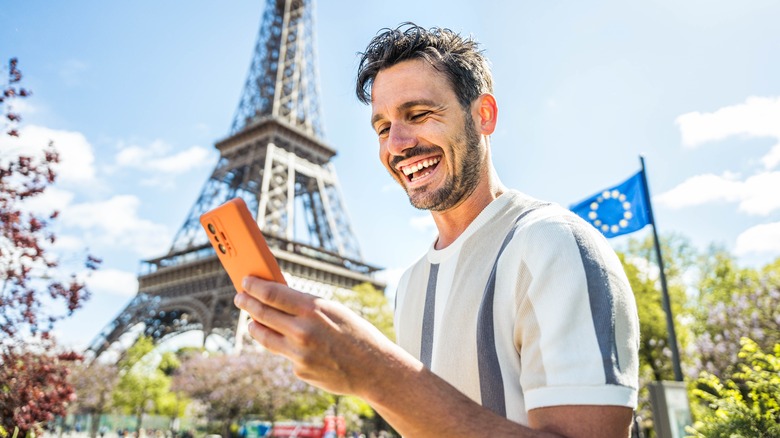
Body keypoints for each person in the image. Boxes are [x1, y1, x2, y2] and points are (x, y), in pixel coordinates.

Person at [234, 23, 639, 437]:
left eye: (419, 114)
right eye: (383, 128)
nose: (397, 144)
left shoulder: (553, 244)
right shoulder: (410, 284)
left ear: (483, 115)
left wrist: (378, 374)